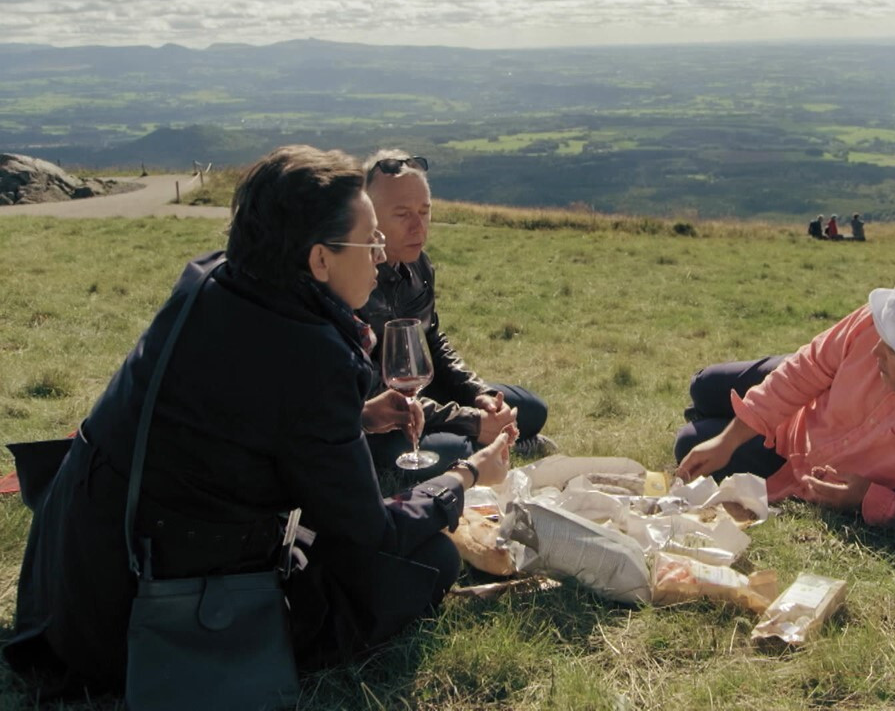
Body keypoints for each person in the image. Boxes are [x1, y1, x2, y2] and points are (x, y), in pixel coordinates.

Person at [3, 145, 518, 698]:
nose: (380, 256)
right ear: (319, 261)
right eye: (369, 241)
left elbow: (243, 420)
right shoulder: (311, 356)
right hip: (145, 616)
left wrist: (358, 418)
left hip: (72, 575)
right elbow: (374, 533)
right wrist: (466, 476)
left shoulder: (215, 280)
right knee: (428, 558)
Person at [674, 270, 895, 538]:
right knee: (703, 386)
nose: (875, 352)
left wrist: (871, 500)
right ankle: (723, 421)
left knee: (688, 442)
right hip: (808, 399)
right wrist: (730, 439)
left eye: (893, 350)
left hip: (801, 461)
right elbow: (808, 367)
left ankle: (715, 424)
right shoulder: (891, 318)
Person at [357, 150, 553, 478]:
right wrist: (470, 421)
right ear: (369, 217)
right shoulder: (353, 278)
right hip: (382, 419)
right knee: (438, 449)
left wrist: (481, 396)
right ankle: (490, 444)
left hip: (427, 396)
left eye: (425, 211)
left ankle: (495, 436)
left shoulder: (420, 265)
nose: (418, 226)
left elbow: (434, 341)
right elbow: (370, 391)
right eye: (402, 214)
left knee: (532, 409)